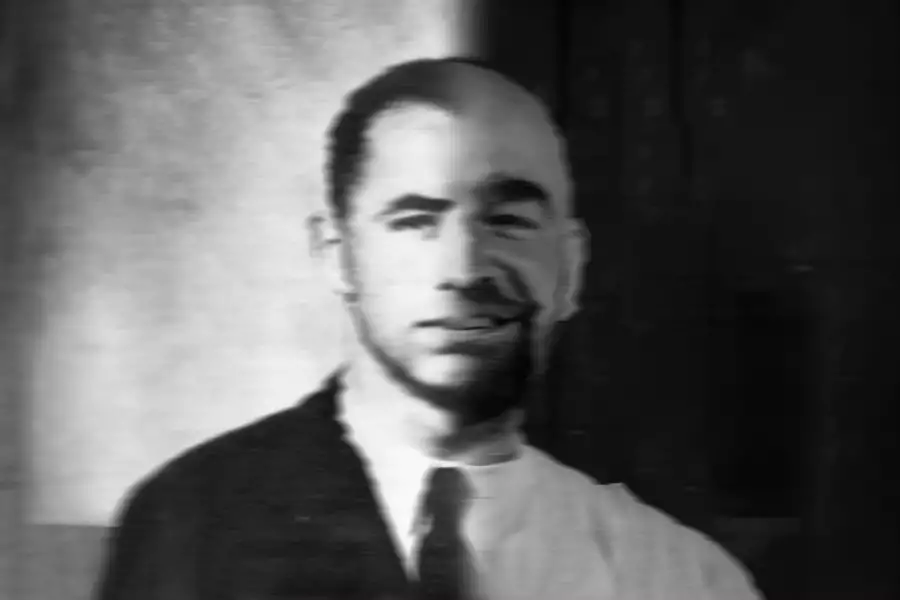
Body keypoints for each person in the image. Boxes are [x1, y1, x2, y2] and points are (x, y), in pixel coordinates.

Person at [95, 57, 762, 600]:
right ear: (338, 255)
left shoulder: (680, 579)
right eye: (414, 221)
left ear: (571, 267)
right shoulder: (190, 524)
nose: (463, 267)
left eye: (508, 221)